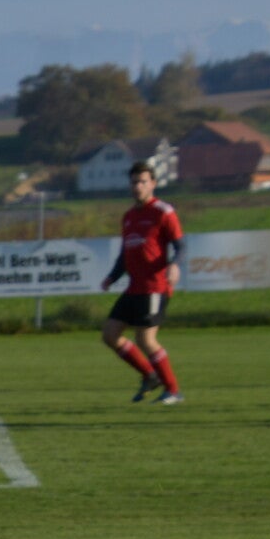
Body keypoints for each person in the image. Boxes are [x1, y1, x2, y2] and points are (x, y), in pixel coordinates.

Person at [99, 161, 185, 405]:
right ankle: (150, 375)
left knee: (146, 339)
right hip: (134, 287)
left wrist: (175, 264)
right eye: (134, 182)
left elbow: (181, 245)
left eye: (142, 182)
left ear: (153, 184)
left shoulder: (163, 211)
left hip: (155, 287)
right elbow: (125, 254)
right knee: (110, 334)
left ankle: (173, 390)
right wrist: (112, 277)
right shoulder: (129, 217)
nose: (137, 186)